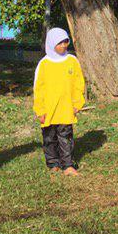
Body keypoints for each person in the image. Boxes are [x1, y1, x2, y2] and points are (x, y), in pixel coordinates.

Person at [33, 27, 86, 176]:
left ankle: (67, 165)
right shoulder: (44, 64)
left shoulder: (72, 61)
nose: (63, 45)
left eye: (65, 42)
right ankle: (53, 163)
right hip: (49, 110)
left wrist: (77, 103)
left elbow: (78, 84)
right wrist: (40, 110)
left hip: (65, 109)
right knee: (49, 138)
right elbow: (38, 89)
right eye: (59, 43)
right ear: (51, 43)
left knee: (65, 137)